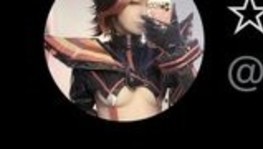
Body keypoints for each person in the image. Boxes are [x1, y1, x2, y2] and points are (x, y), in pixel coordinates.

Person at [45, 2, 201, 122]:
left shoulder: (162, 57)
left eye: (147, 3)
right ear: (112, 7)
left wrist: (175, 49)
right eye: (133, 3)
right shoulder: (89, 59)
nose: (143, 11)